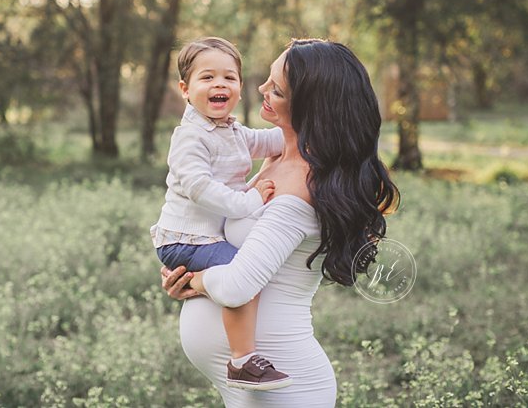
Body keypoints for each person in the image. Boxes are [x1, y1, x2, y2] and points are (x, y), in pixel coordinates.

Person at [161, 38, 400, 407]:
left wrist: (194, 281)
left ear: (309, 105)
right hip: (250, 388)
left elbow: (238, 285)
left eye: (276, 89)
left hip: (288, 388)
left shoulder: (301, 185)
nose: (259, 90)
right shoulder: (278, 156)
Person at [150, 37, 293, 390]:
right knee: (240, 272)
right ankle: (242, 360)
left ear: (239, 89)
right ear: (185, 89)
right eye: (207, 77)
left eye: (229, 78)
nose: (219, 84)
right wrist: (250, 201)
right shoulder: (190, 137)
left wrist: (304, 134)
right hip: (186, 239)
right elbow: (199, 188)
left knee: (240, 271)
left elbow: (268, 142)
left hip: (203, 236)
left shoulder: (231, 129)